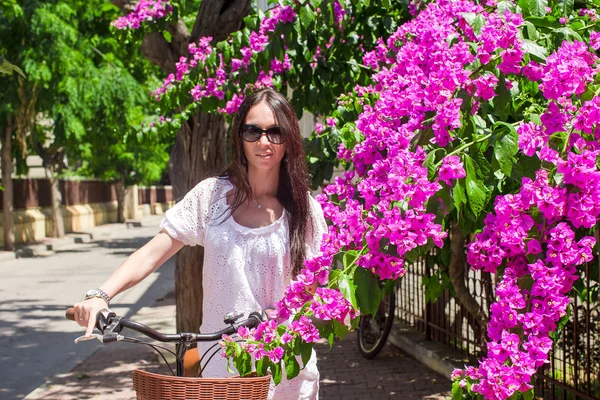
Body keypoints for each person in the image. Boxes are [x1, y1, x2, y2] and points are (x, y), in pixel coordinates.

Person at [72, 88, 327, 399]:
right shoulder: (211, 198)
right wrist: (101, 295)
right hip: (222, 364)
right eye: (252, 131)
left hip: (287, 365)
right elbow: (154, 252)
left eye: (275, 132)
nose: (264, 142)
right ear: (239, 137)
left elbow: (318, 288)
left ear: (289, 139)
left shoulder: (305, 210)